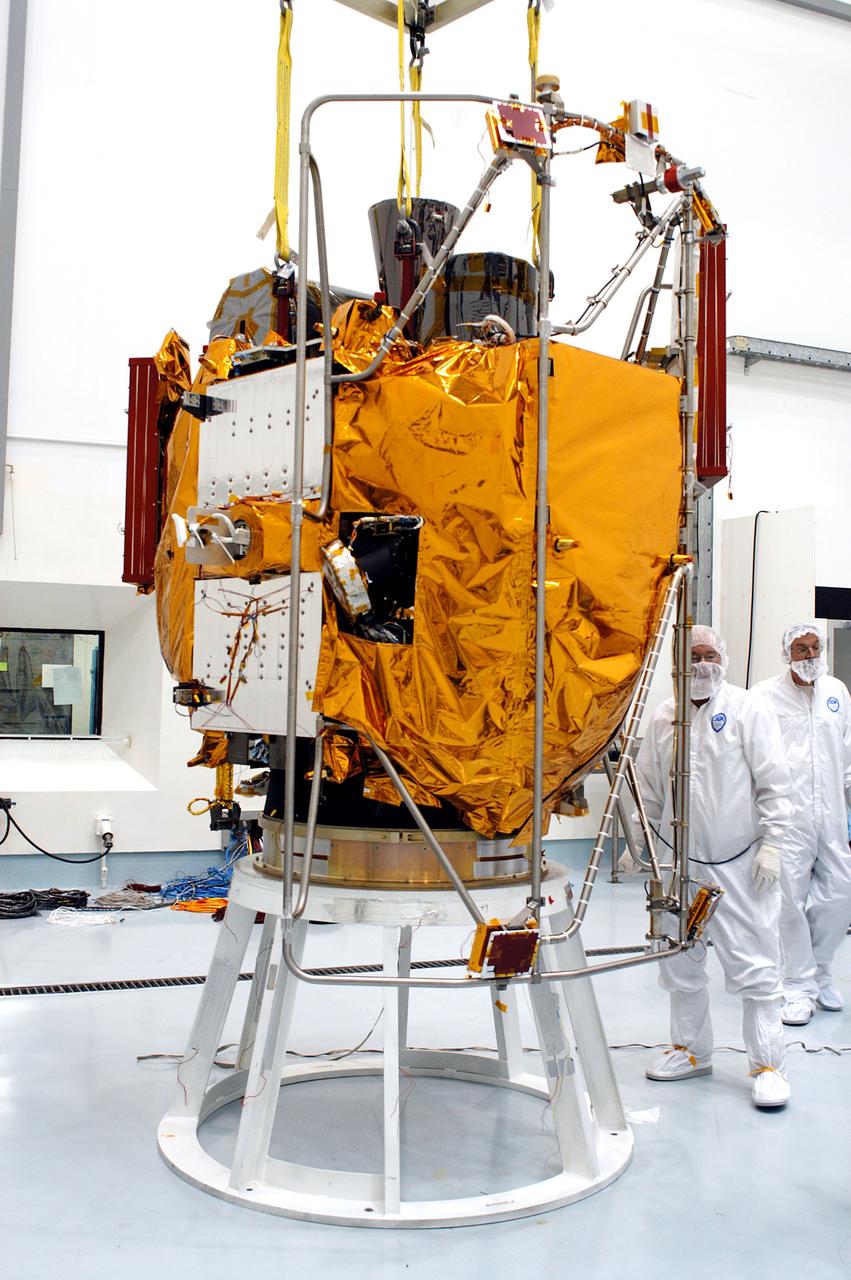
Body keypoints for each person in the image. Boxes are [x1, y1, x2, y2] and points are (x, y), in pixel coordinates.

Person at [636, 625, 793, 1108]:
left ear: (722, 660)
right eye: (693, 656)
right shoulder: (664, 716)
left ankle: (767, 1066)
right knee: (678, 961)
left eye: (710, 655)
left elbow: (774, 782)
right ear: (677, 664)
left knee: (756, 964)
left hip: (740, 865)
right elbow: (649, 789)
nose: (703, 664)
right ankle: (691, 1051)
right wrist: (643, 844)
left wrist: (774, 844)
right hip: (678, 865)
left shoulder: (748, 708)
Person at [753, 623, 851, 1026]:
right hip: (787, 815)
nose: (810, 656)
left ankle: (820, 970)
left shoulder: (836, 692)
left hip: (832, 813)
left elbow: (846, 753)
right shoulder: (763, 697)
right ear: (786, 653)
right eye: (800, 649)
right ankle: (796, 985)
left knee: (840, 893)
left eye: (814, 647)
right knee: (788, 901)